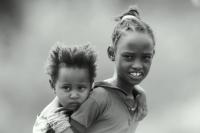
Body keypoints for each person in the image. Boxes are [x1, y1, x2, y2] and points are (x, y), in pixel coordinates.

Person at [69, 6, 155, 133]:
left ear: (153, 54)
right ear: (112, 53)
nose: (138, 65)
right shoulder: (99, 98)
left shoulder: (136, 100)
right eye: (128, 56)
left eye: (145, 57)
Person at [33, 43, 97, 133]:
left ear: (91, 85)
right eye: (66, 88)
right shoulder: (53, 119)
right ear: (53, 85)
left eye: (81, 88)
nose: (74, 95)